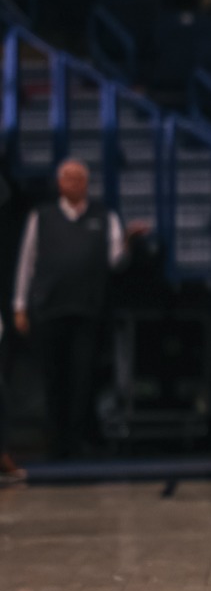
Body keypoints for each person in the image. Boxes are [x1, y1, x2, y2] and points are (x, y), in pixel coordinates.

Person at [12, 160, 136, 459]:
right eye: (68, 177)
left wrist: (129, 241)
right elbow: (26, 262)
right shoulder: (41, 216)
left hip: (87, 309)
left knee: (83, 379)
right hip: (50, 309)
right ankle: (55, 442)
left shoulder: (103, 216)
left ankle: (78, 441)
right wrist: (20, 304)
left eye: (79, 178)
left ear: (87, 182)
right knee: (54, 378)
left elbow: (115, 260)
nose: (73, 183)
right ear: (59, 182)